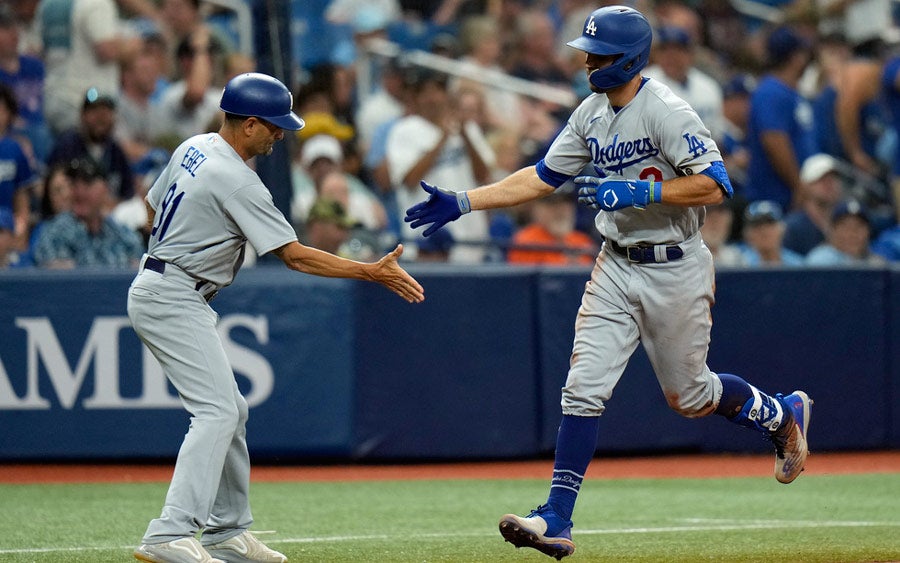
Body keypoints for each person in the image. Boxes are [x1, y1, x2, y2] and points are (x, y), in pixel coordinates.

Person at [403, 7, 812, 560]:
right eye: (588, 51)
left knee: (691, 396)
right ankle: (557, 517)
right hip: (616, 262)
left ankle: (782, 413)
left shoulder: (667, 109)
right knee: (583, 387)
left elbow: (716, 186)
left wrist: (644, 194)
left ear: (630, 59)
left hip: (675, 265)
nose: (588, 60)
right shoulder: (591, 112)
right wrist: (466, 199)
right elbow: (543, 176)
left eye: (599, 54)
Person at [128, 72, 423, 563]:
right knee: (218, 411)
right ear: (247, 124)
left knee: (232, 410)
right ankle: (169, 534)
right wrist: (369, 272)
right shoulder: (238, 179)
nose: (280, 134)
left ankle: (227, 532)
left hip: (165, 281)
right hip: (173, 292)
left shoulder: (194, 146)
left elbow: (151, 206)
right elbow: (295, 256)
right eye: (273, 125)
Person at [745, 25, 817, 212]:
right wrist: (798, 185)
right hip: (777, 196)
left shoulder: (789, 90)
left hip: (796, 192)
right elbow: (774, 141)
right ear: (795, 57)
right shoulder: (771, 92)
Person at [32, 157, 144, 268]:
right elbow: (58, 279)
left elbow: (141, 273)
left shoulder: (123, 235)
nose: (79, 192)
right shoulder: (54, 233)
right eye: (74, 183)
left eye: (87, 182)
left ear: (105, 188)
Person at [46, 87, 135, 207]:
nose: (100, 118)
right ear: (82, 115)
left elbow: (128, 195)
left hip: (109, 219)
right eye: (94, 112)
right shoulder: (67, 146)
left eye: (105, 113)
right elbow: (53, 190)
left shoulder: (116, 151)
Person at [506, 191, 597, 265]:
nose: (560, 210)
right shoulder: (525, 242)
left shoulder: (583, 241)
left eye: (566, 203)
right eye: (552, 203)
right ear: (536, 209)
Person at [783, 153, 845, 255]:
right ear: (805, 186)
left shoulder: (850, 222)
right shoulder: (793, 227)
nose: (828, 184)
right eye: (821, 179)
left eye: (833, 178)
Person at [806, 198, 885, 265]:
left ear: (868, 231)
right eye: (845, 227)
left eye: (858, 227)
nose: (852, 234)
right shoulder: (820, 261)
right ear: (832, 230)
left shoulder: (876, 264)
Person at [740, 199, 805, 266]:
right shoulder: (740, 264)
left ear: (782, 229)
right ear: (747, 233)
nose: (764, 231)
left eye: (770, 223)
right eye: (757, 225)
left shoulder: (798, 265)